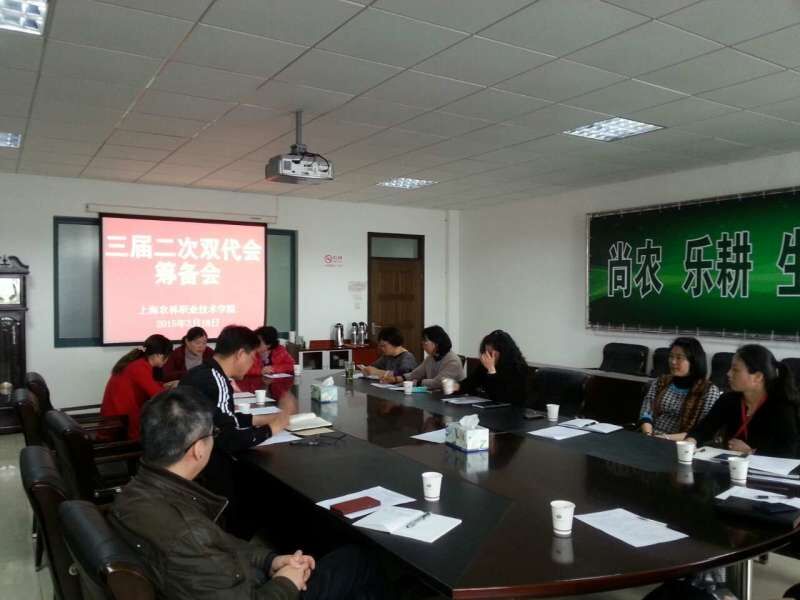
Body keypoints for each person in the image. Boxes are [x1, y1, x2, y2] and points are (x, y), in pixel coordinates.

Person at [109, 387, 386, 600]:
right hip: (262, 591)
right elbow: (205, 543)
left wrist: (271, 560)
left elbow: (216, 541)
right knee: (359, 560)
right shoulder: (187, 532)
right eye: (212, 433)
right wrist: (287, 581)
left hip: (237, 578)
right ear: (198, 449)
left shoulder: (134, 493)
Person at [180, 325, 294, 522]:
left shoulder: (202, 372)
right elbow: (229, 438)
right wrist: (274, 427)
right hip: (203, 465)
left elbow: (222, 417)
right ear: (240, 354)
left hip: (185, 456)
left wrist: (261, 419)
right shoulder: (217, 381)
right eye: (252, 357)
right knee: (263, 485)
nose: (253, 363)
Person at [686, 344, 800, 458]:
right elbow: (704, 429)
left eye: (735, 370)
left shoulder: (782, 407)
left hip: (765, 468)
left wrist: (751, 452)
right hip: (729, 464)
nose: (728, 373)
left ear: (757, 377)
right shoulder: (728, 400)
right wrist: (691, 441)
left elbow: (789, 452)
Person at [639, 337, 721, 440]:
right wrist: (648, 435)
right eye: (671, 356)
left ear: (693, 361)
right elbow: (646, 412)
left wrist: (664, 438)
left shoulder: (708, 391)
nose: (673, 362)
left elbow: (702, 431)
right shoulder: (661, 382)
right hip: (651, 436)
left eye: (679, 358)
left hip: (683, 442)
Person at [101, 334, 175, 440]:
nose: (167, 360)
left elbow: (148, 385)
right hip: (121, 422)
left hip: (118, 416)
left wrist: (163, 386)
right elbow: (158, 395)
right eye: (167, 356)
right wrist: (175, 390)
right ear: (158, 355)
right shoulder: (139, 367)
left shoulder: (138, 363)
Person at [452, 330, 529, 405]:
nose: (488, 357)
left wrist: (491, 370)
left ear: (504, 352)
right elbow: (470, 383)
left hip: (513, 410)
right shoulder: (486, 366)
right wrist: (454, 386)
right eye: (486, 353)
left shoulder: (518, 368)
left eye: (491, 353)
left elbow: (503, 397)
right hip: (491, 409)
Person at [384, 325, 463, 390]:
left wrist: (417, 382)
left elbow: (438, 383)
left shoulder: (453, 361)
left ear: (436, 342)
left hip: (450, 398)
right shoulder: (431, 357)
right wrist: (396, 379)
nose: (422, 344)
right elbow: (416, 374)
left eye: (425, 341)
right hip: (434, 395)